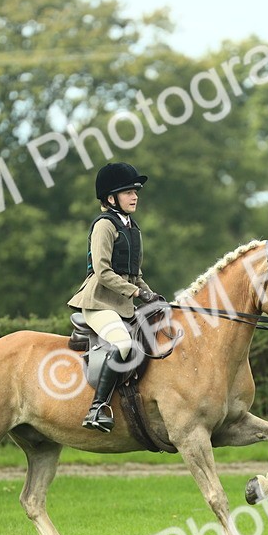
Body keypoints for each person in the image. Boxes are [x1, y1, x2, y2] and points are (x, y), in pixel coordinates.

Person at [67, 162, 163, 432]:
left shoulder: (132, 227)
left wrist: (151, 294)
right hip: (98, 304)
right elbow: (103, 271)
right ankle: (97, 408)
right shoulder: (104, 226)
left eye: (136, 191)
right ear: (111, 198)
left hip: (123, 306)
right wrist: (136, 292)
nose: (135, 196)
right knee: (123, 345)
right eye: (128, 191)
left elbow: (135, 273)